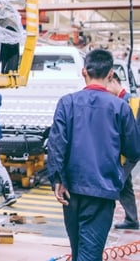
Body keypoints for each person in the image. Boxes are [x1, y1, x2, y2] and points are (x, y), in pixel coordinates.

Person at [47, 49, 140, 261]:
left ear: (83, 72)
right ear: (110, 75)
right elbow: (134, 149)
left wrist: (58, 179)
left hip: (71, 190)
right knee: (89, 254)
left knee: (79, 249)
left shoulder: (66, 102)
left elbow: (56, 144)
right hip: (102, 191)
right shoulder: (120, 107)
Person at [106, 72, 139, 230]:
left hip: (130, 152)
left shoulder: (129, 101)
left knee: (116, 182)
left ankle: (102, 218)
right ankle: (132, 219)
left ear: (114, 81)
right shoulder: (121, 101)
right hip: (126, 152)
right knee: (126, 186)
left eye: (107, 85)